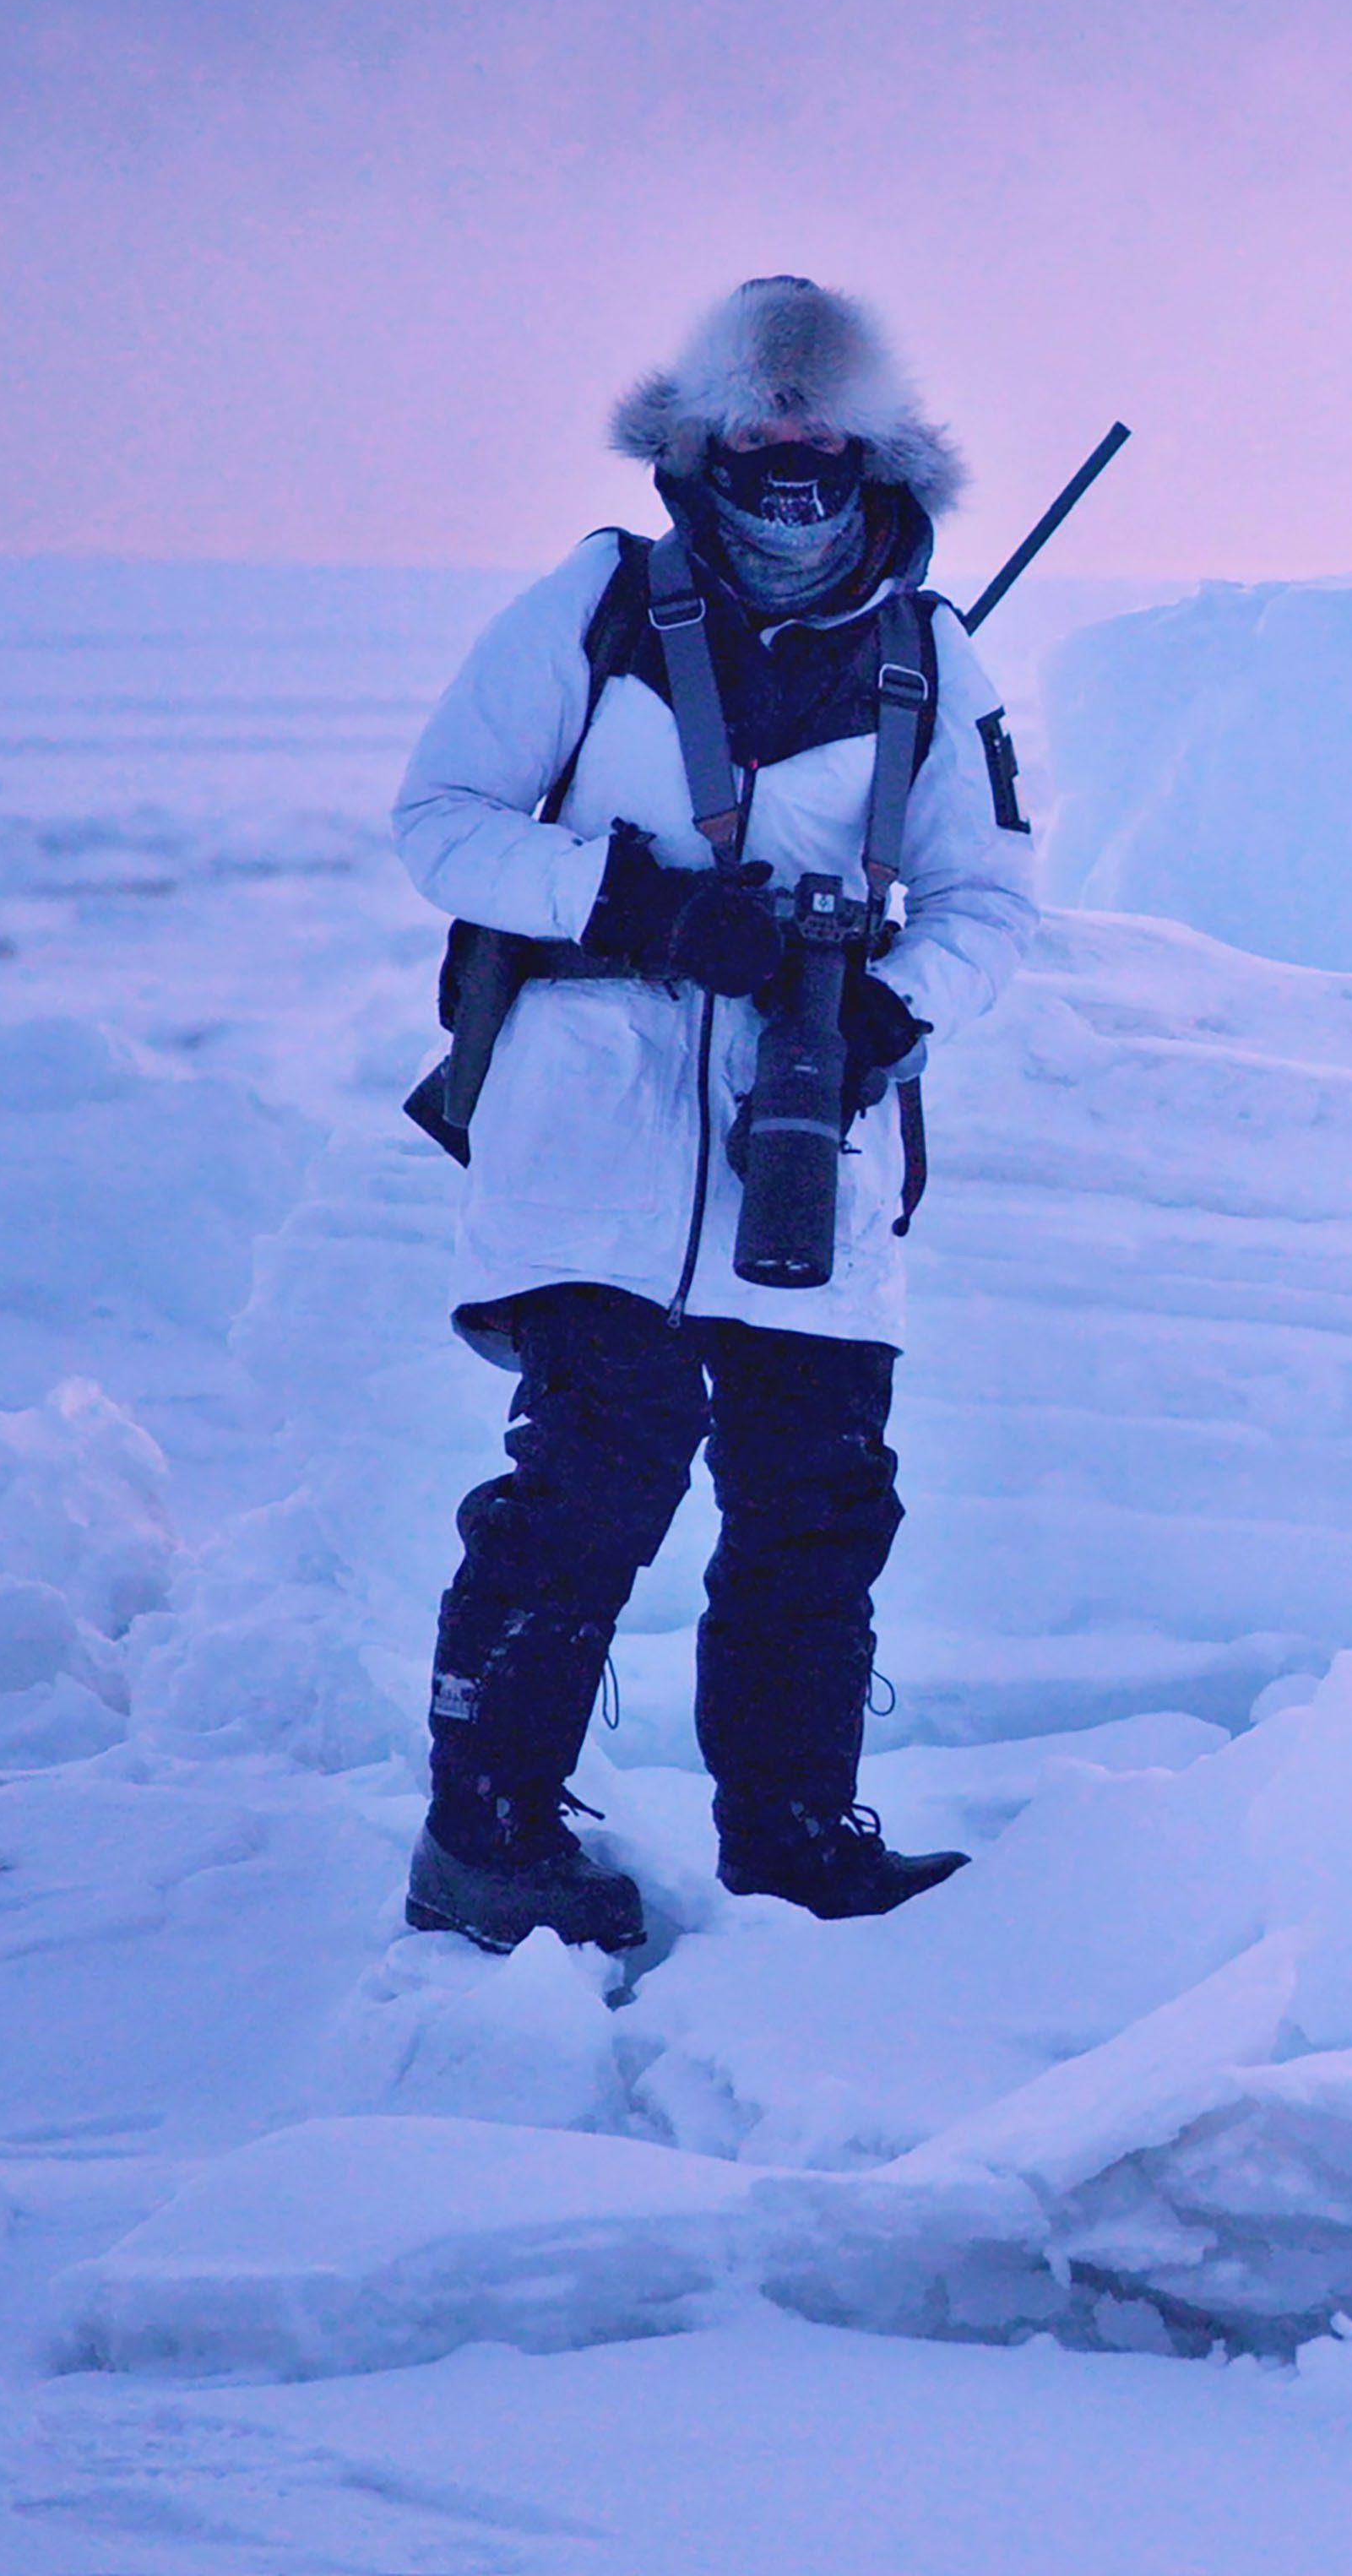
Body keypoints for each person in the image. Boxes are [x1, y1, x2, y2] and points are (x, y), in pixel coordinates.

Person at [384, 278, 1040, 1952]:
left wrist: (898, 1005)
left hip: (807, 1139)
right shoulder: (598, 603)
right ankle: (490, 1839)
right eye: (758, 428)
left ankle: (798, 1839)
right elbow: (444, 824)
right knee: (595, 1478)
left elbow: (987, 902)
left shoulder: (929, 653)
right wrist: (641, 909)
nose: (788, 461)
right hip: (586, 1127)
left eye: (819, 430)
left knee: (820, 1496)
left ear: (872, 443)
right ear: (708, 440)